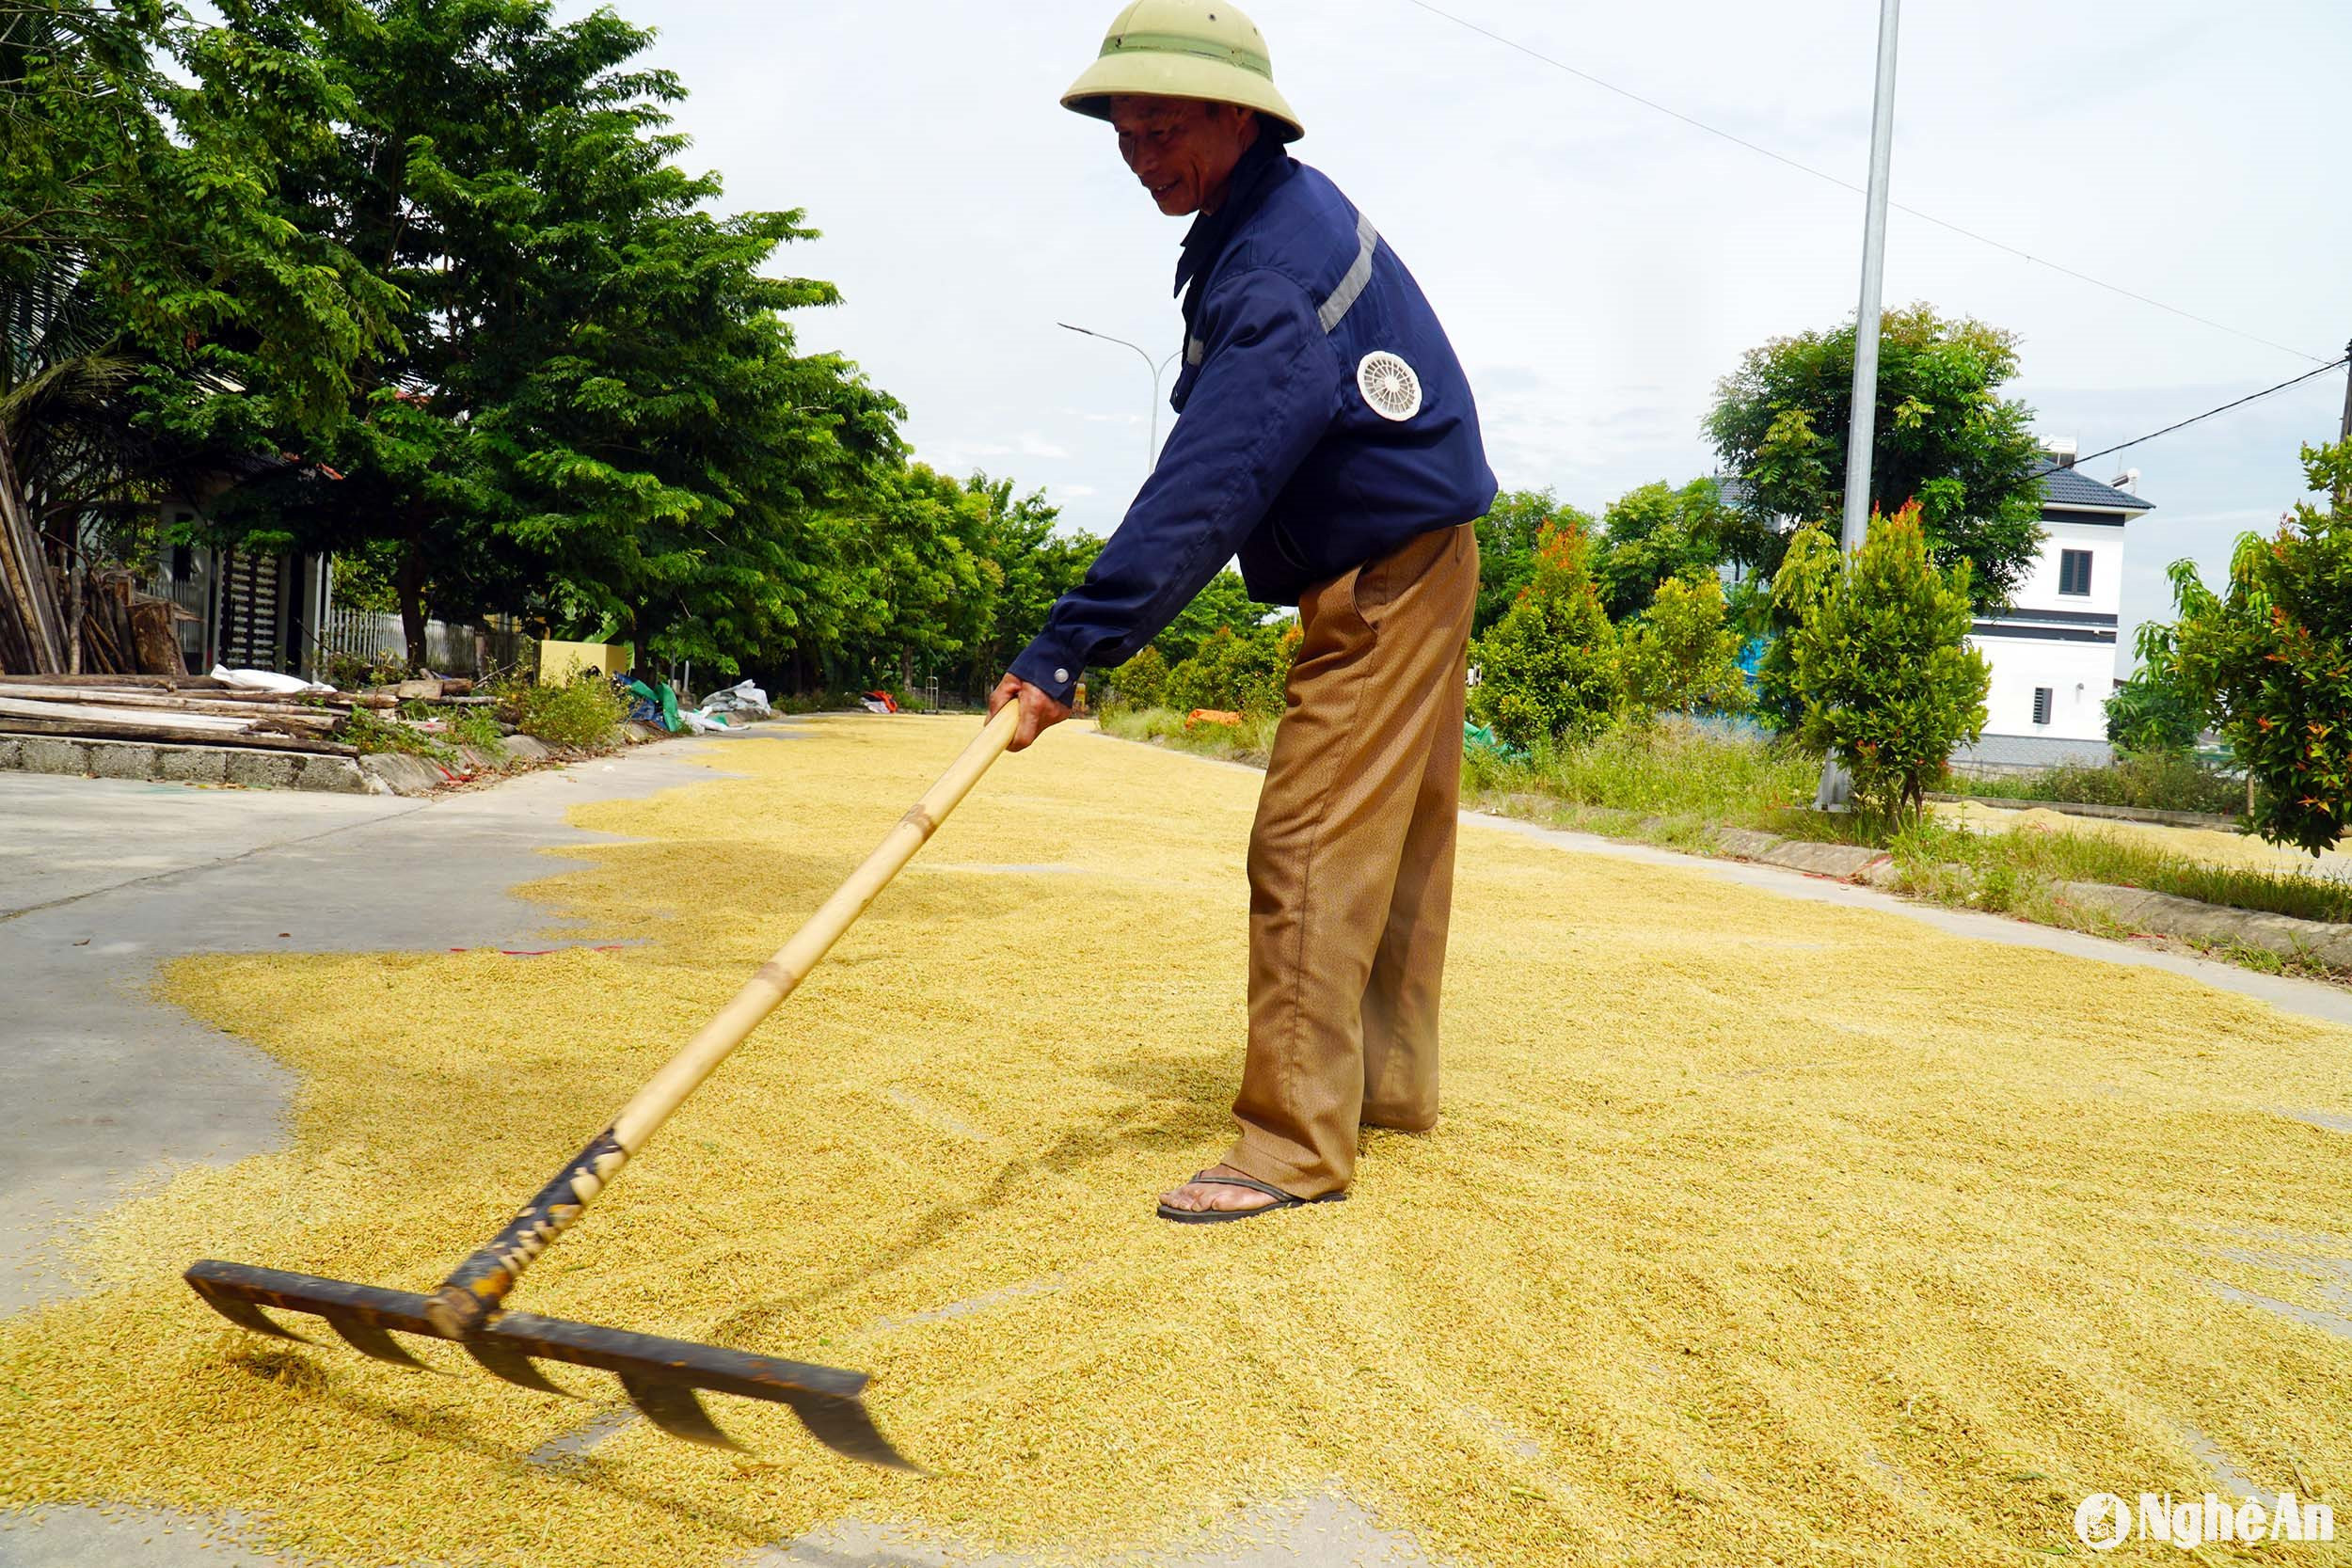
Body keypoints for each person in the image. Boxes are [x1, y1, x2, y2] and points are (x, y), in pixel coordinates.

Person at [988, 0, 1497, 1223]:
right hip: (1420, 550)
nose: (1149, 156)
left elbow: (1209, 483)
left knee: (1310, 841)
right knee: (1394, 841)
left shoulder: (1272, 269)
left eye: (1170, 129)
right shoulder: (1264, 217)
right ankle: (1384, 1089)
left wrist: (1071, 649)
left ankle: (1292, 1145)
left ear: (1237, 116)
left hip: (1385, 573)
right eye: (1128, 133)